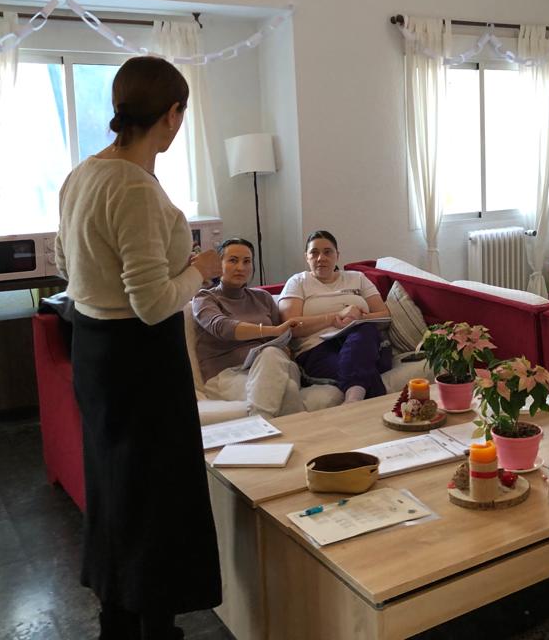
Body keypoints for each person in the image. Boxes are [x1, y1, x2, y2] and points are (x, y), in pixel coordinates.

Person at [56, 56, 222, 640]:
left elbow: (64, 264)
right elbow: (153, 302)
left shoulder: (84, 174)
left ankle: (118, 618)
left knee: (115, 486)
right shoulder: (133, 187)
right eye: (182, 113)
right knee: (158, 497)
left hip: (95, 347)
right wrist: (199, 271)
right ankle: (156, 624)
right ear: (172, 115)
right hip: (140, 356)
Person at [192, 238, 305, 417]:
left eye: (247, 261)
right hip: (225, 375)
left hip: (270, 366)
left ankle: (260, 430)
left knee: (272, 354)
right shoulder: (205, 298)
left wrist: (283, 345)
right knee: (288, 389)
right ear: (219, 264)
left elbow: (285, 341)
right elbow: (222, 327)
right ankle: (267, 427)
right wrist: (271, 331)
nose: (241, 267)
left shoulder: (263, 298)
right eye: (233, 260)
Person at [277, 230, 391, 403]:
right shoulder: (297, 282)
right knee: (364, 369)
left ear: (337, 256)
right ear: (306, 257)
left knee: (365, 329)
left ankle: (352, 403)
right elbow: (291, 326)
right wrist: (334, 317)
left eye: (327, 252)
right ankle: (357, 401)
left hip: (362, 342)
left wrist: (358, 318)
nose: (321, 258)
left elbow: (385, 315)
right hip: (317, 348)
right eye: (314, 253)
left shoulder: (357, 278)